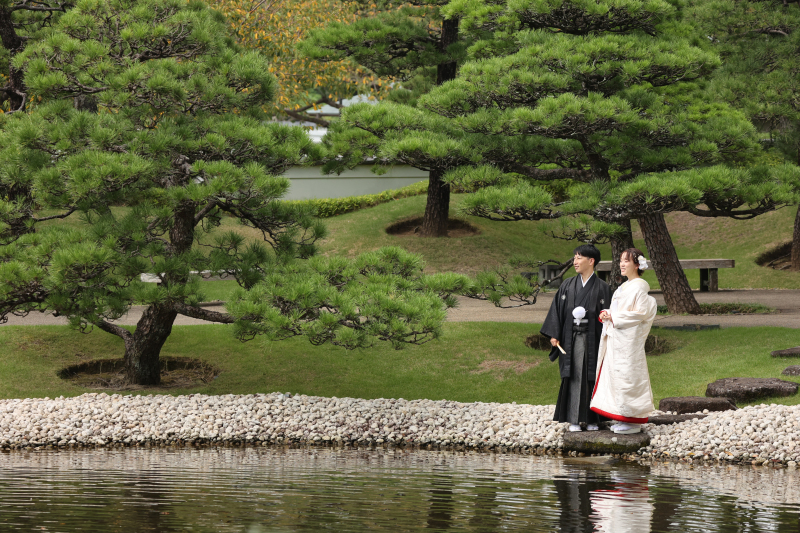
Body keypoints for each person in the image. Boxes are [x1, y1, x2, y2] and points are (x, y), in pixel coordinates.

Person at [541, 244, 612, 432]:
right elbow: (557, 310)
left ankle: (593, 420)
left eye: (579, 258)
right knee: (573, 375)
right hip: (570, 339)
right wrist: (554, 334)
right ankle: (573, 419)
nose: (575, 261)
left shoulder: (603, 288)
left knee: (592, 377)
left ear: (591, 261)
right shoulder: (567, 285)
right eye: (574, 258)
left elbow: (609, 315)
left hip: (593, 340)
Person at [590, 248, 658, 434]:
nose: (621, 264)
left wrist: (614, 317)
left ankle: (633, 420)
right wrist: (608, 314)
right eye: (620, 260)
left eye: (626, 261)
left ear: (637, 265)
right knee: (616, 377)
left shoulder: (639, 287)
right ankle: (622, 416)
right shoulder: (623, 287)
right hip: (617, 339)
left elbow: (640, 313)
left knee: (629, 377)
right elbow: (620, 312)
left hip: (629, 341)